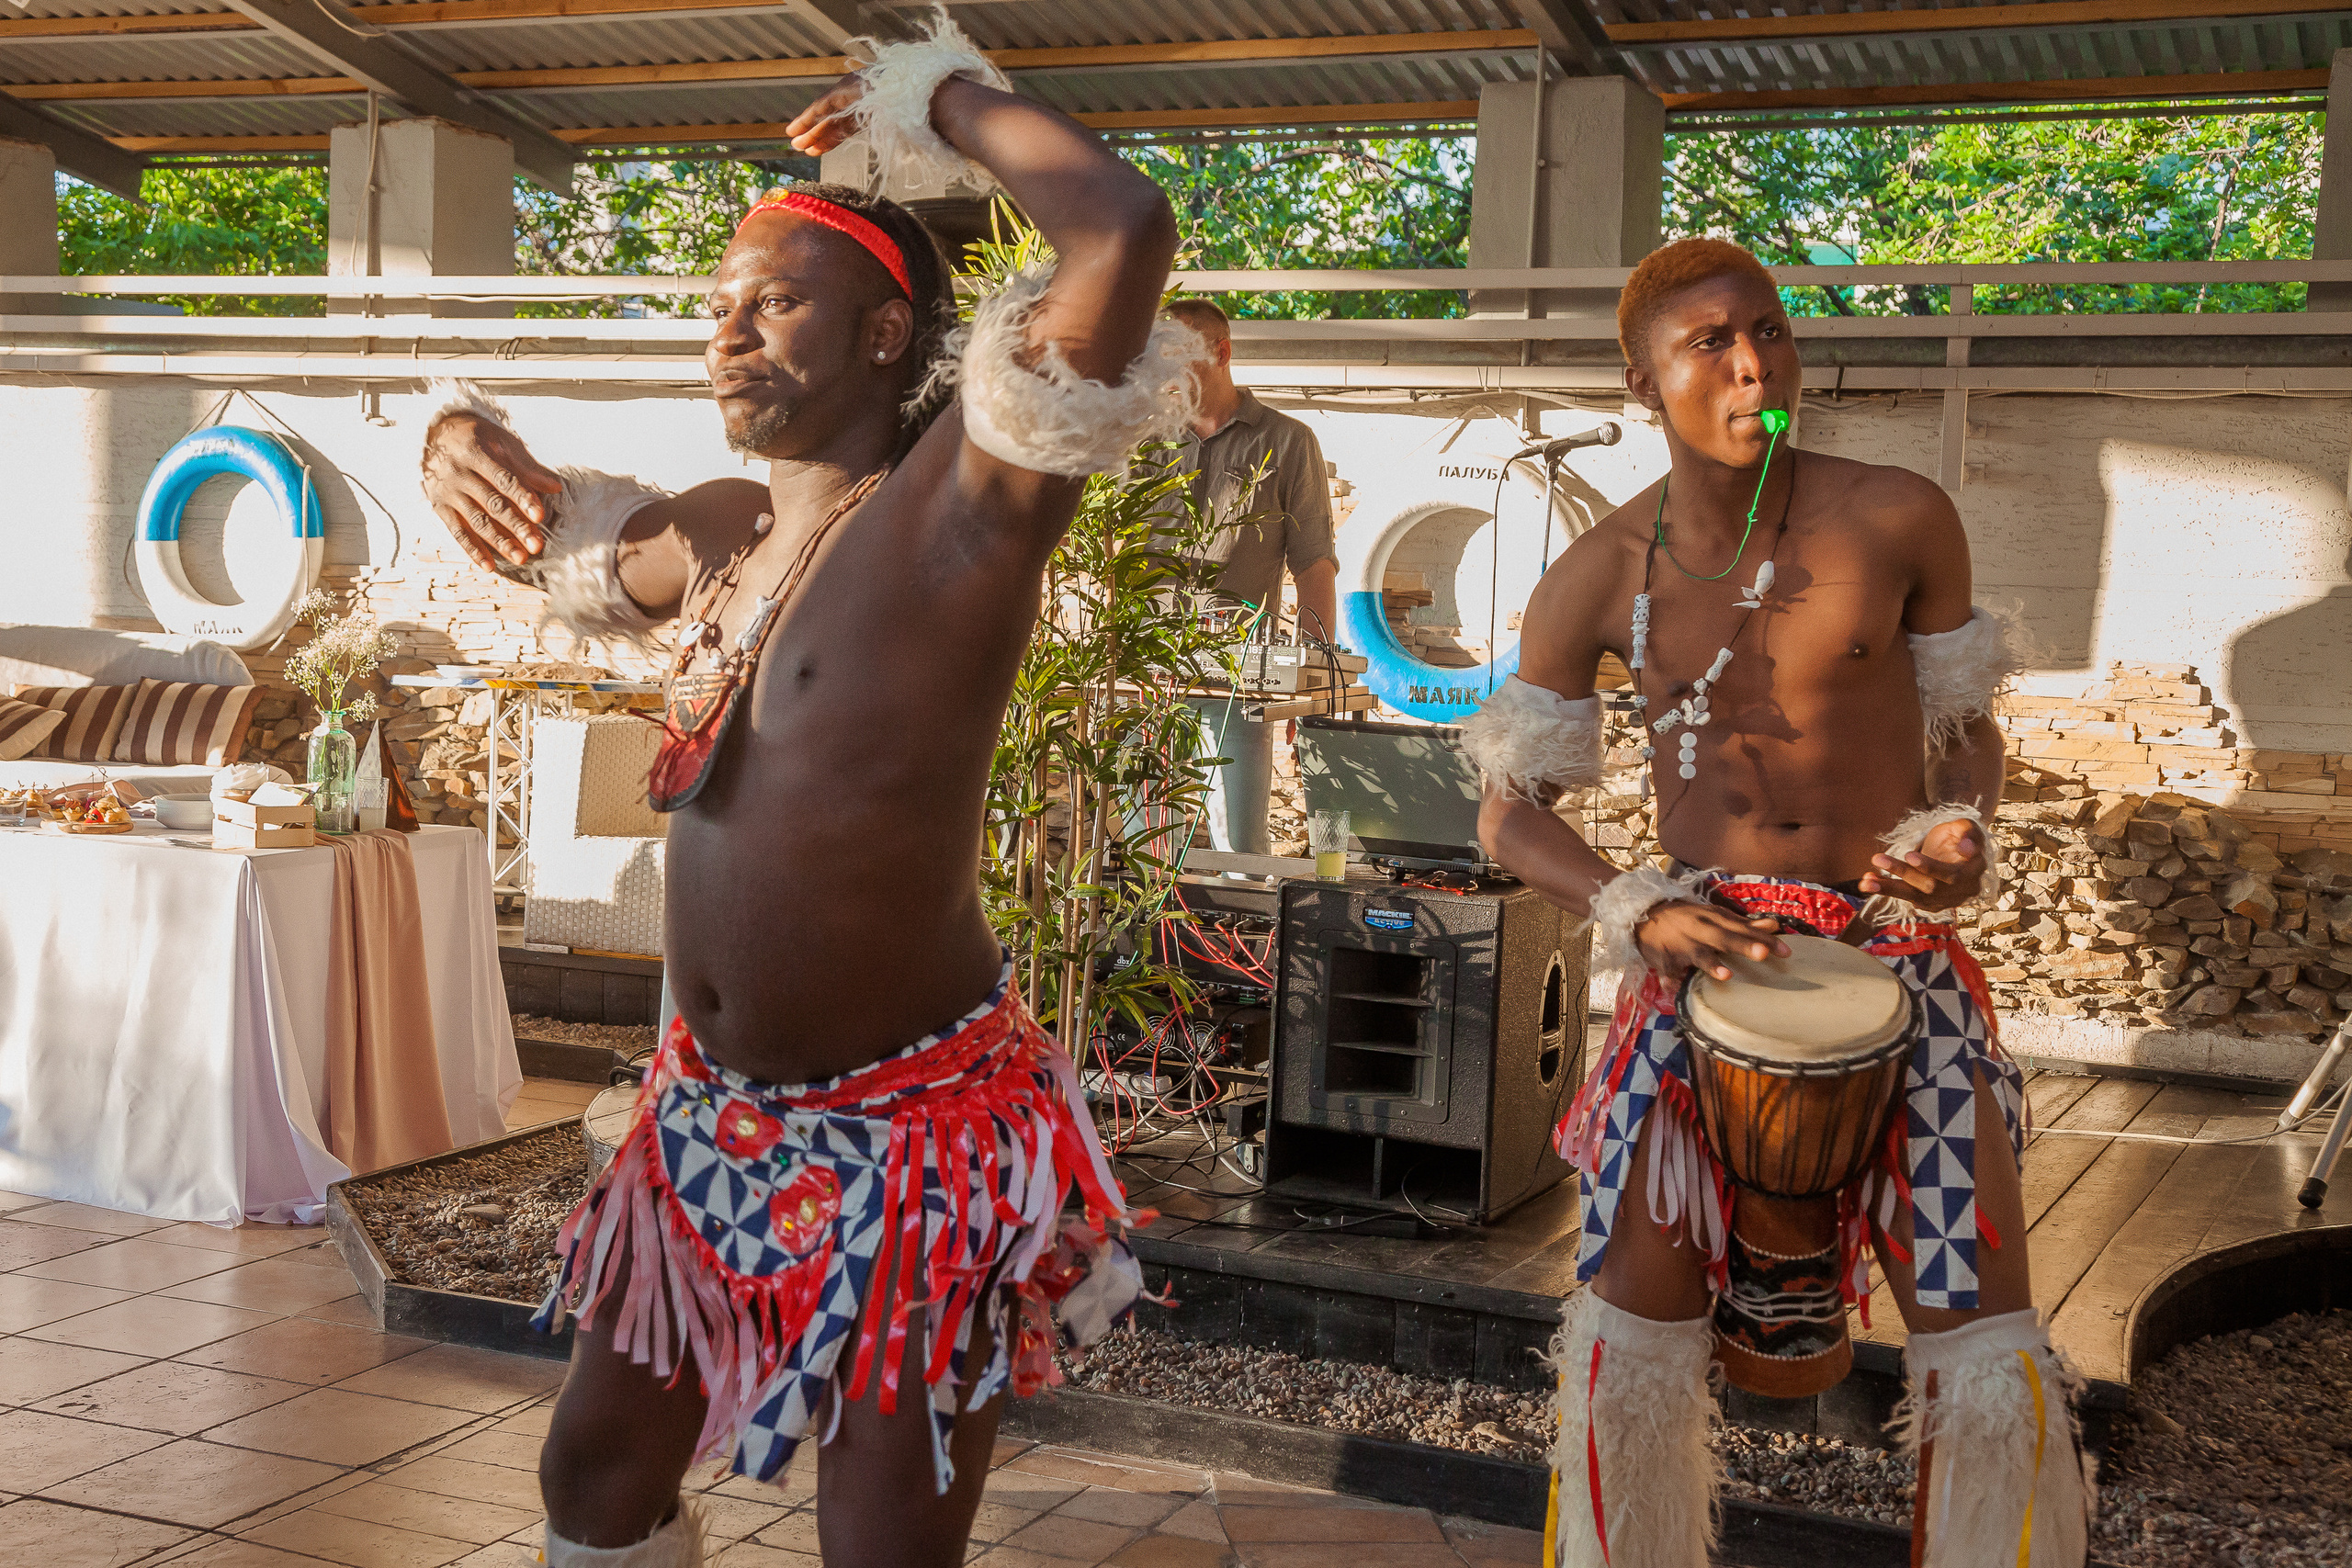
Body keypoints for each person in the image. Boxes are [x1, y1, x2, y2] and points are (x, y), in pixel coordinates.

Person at [414, 17, 1197, 1567]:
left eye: (776, 303)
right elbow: (544, 544)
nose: (728, 333)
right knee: (591, 1477)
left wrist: (939, 101)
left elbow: (1122, 227)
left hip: (915, 1139)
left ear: (887, 336)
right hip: (708, 1122)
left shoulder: (964, 519)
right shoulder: (712, 532)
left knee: (880, 1549)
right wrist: (449, 441)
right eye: (718, 306)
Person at [1456, 237, 2090, 1568]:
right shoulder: (1595, 575)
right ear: (1644, 381)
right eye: (1712, 346)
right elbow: (1510, 812)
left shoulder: (1901, 513)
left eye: (1772, 333)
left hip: (1897, 962)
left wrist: (1960, 821)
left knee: (1982, 1346)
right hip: (1705, 975)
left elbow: (1969, 726)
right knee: (1630, 1348)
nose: (1755, 367)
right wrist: (1636, 905)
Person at [1160, 297, 1340, 856]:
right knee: (1146, 857)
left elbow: (1313, 563)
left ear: (1223, 352)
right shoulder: (1141, 442)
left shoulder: (1288, 442)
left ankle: (1237, 943)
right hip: (1145, 672)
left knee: (1240, 848)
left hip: (1236, 677)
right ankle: (1164, 946)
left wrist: (1314, 679)